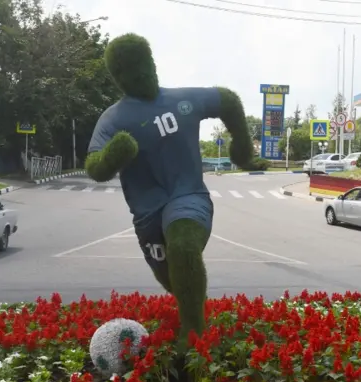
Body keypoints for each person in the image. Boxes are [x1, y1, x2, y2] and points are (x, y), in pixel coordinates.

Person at [84, 33, 254, 355]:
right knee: (176, 279)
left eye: (145, 66)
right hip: (147, 215)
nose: (142, 75)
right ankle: (194, 315)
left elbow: (228, 100)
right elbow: (94, 166)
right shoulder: (113, 119)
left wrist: (241, 148)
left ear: (153, 63)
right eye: (131, 72)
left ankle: (193, 340)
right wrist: (113, 156)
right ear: (119, 79)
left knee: (183, 244)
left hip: (188, 196)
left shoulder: (181, 99)